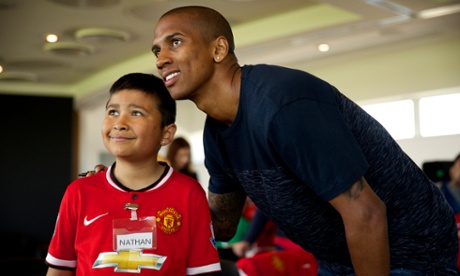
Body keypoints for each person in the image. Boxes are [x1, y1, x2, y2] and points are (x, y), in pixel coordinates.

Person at [148, 6, 459, 275]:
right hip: (338, 260)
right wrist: (131, 195)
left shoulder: (282, 104)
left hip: (411, 252)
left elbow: (366, 212)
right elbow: (222, 226)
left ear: (218, 49)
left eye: (175, 42)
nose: (161, 59)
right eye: (156, 51)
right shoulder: (216, 133)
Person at [45, 73, 221, 275]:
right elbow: (59, 270)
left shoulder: (189, 193)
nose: (119, 123)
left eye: (136, 113)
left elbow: (203, 271)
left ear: (166, 133)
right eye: (112, 112)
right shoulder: (79, 192)